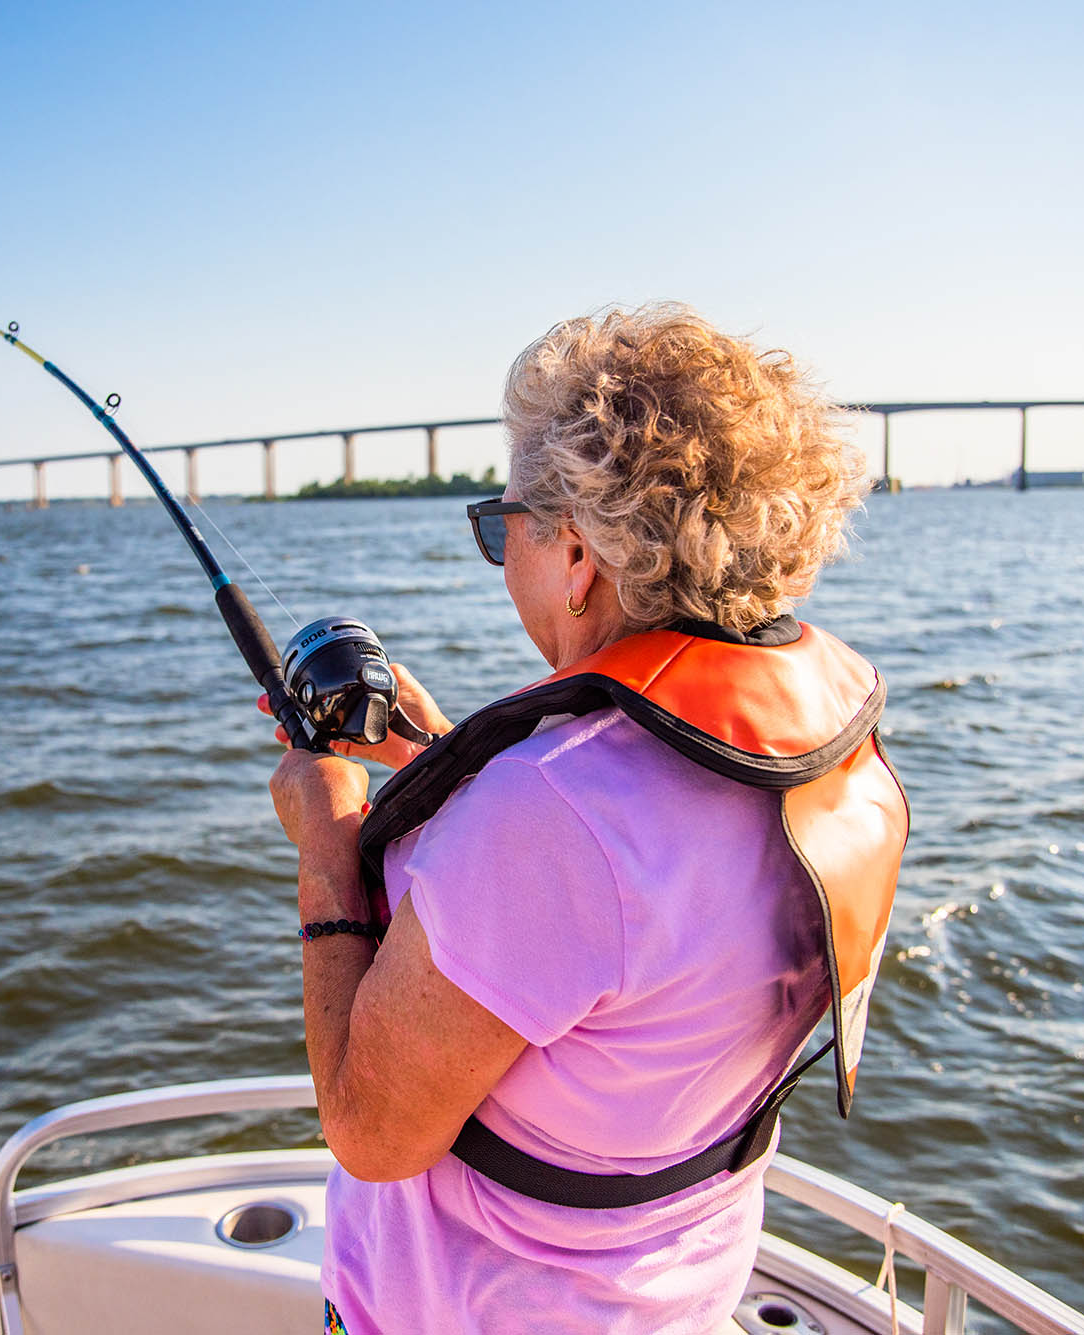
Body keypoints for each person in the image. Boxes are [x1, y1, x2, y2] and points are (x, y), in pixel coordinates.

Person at [267, 303, 909, 1334]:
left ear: (573, 554)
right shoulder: (814, 748)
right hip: (675, 1300)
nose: (501, 554)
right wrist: (445, 766)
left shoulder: (548, 813)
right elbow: (630, 927)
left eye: (499, 525)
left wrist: (330, 852)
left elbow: (370, 1136)